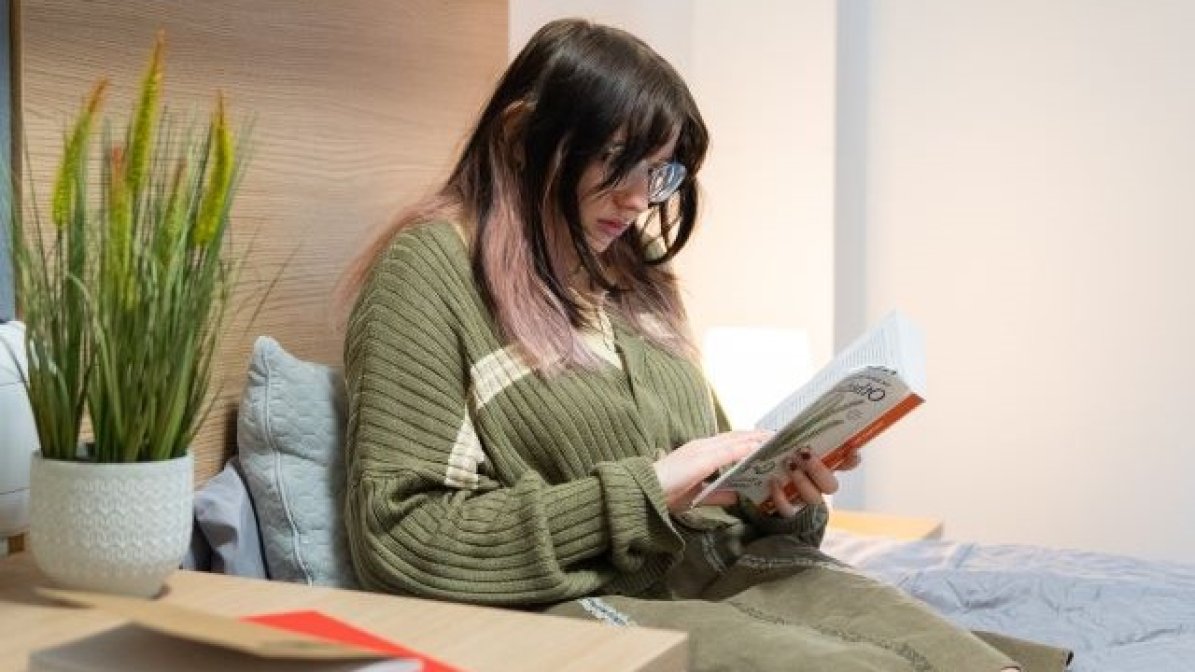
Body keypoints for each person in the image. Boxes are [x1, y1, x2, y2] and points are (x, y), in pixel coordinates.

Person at [342, 18, 1070, 672]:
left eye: (657, 172)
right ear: (520, 134)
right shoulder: (430, 270)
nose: (638, 200)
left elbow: (714, 492)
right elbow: (402, 534)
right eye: (616, 160)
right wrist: (648, 488)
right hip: (594, 606)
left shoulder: (632, 282)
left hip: (733, 571)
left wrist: (777, 497)